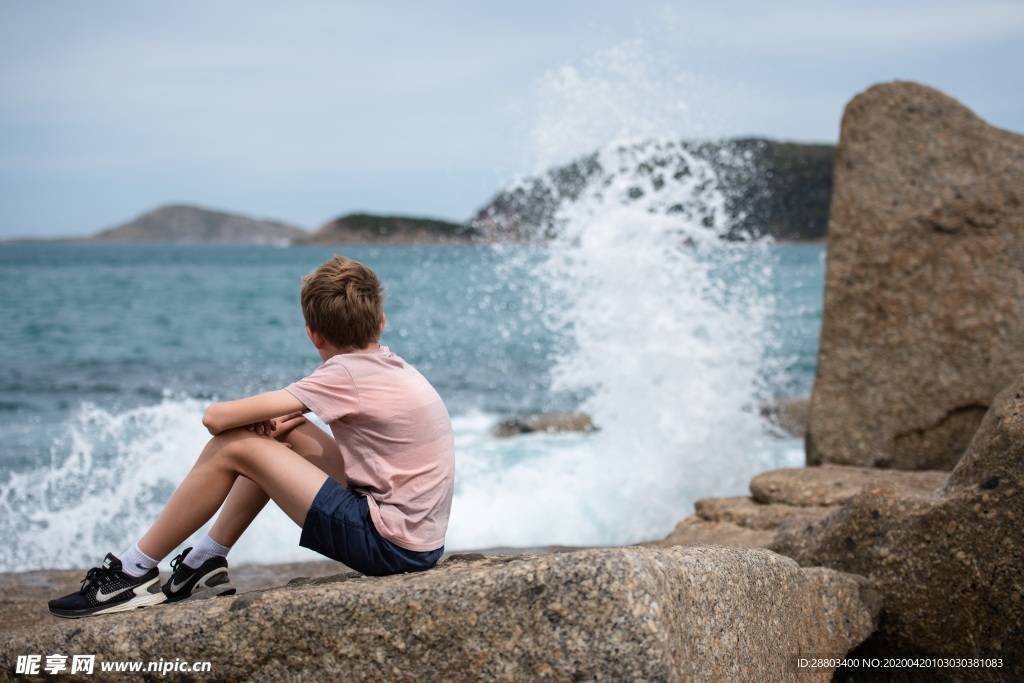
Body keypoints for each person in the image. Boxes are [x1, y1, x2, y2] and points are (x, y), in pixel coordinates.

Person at [48, 256, 455, 618]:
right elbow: (292, 413)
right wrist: (279, 423)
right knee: (284, 431)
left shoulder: (343, 374)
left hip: (387, 544)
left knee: (235, 445)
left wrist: (259, 427)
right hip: (418, 541)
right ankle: (205, 562)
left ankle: (130, 572)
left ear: (313, 333)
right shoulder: (389, 364)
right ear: (381, 321)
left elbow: (215, 418)